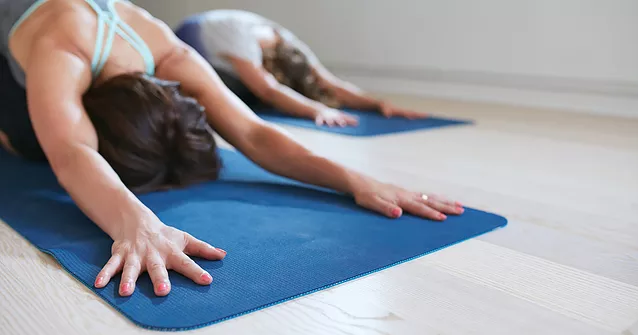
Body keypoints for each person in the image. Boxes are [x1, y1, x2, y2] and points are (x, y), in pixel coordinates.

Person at [0, 0, 464, 298]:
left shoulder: (166, 50)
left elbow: (254, 132)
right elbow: (72, 152)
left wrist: (354, 179)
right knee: (31, 143)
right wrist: (137, 222)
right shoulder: (63, 48)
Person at [175, 10, 427, 127]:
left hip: (223, 49)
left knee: (258, 91)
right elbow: (269, 90)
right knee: (242, 95)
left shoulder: (290, 42)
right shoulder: (243, 45)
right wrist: (316, 109)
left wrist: (377, 103)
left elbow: (331, 83)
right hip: (185, 47)